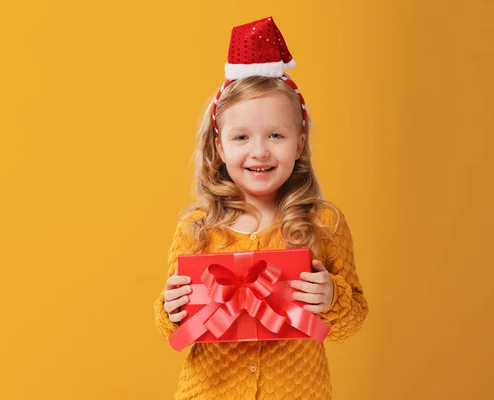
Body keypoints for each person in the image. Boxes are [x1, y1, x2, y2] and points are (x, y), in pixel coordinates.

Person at [154, 16, 368, 400]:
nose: (259, 151)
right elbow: (174, 328)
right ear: (220, 147)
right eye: (241, 137)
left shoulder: (324, 223)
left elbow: (353, 317)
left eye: (276, 135)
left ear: (299, 141)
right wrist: (169, 309)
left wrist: (331, 298)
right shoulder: (196, 229)